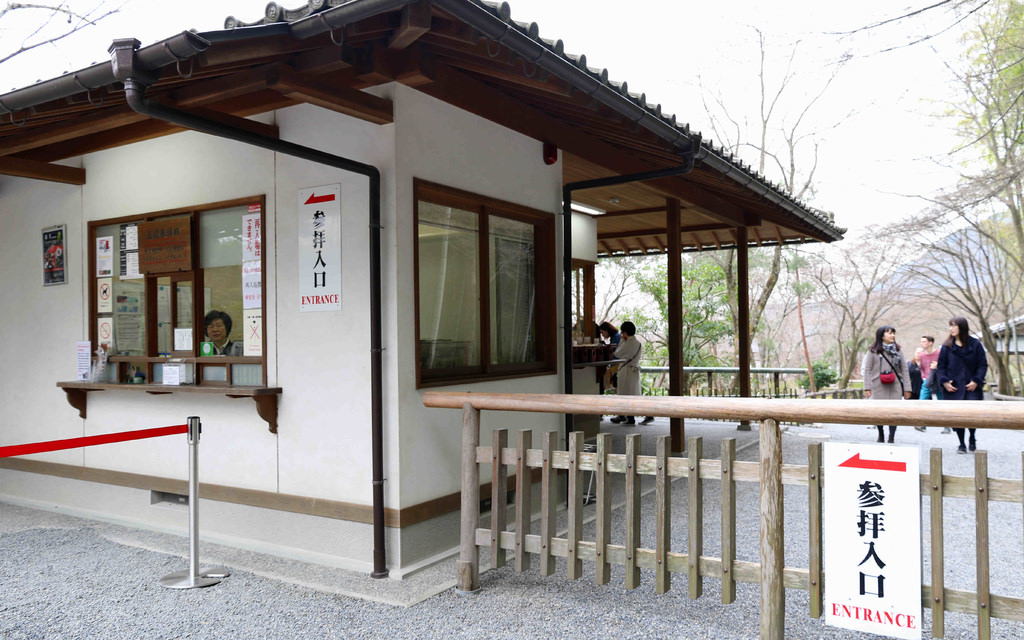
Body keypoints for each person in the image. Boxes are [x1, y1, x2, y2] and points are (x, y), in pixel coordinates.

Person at [936, 316, 988, 453]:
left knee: (971, 415)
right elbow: (941, 367)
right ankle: (961, 443)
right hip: (953, 387)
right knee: (957, 417)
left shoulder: (975, 344)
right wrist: (945, 381)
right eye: (950, 326)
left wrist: (977, 380)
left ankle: (972, 436)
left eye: (954, 326)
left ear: (962, 327)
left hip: (971, 386)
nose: (951, 329)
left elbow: (982, 365)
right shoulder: (947, 346)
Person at [861, 326, 912, 443]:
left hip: (895, 386)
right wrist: (867, 387)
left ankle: (891, 436)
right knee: (879, 412)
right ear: (881, 335)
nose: (892, 335)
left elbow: (905, 370)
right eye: (889, 333)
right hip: (878, 386)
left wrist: (907, 389)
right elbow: (867, 370)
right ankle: (881, 433)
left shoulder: (898, 351)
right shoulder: (872, 351)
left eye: (893, 333)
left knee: (894, 412)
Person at [609, 321, 654, 426]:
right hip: (634, 371)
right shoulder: (637, 343)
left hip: (627, 371)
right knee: (634, 394)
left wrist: (621, 341)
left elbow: (617, 353)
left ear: (624, 332)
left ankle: (629, 416)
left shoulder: (627, 343)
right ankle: (628, 416)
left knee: (625, 394)